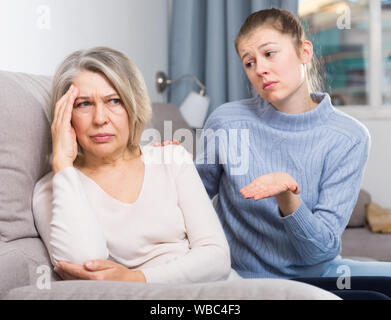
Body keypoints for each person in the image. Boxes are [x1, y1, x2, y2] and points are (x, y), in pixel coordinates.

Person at [161, 8, 391, 298]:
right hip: (244, 281)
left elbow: (318, 251)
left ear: (304, 51)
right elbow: (190, 198)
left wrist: (287, 197)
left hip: (319, 276)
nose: (260, 69)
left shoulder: (349, 137)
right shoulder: (227, 121)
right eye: (249, 62)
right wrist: (171, 167)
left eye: (269, 54)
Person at [32, 46, 232, 284]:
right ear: (64, 116)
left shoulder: (172, 159)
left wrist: (138, 278)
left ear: (132, 106)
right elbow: (83, 262)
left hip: (217, 291)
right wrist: (63, 164)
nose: (100, 119)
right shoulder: (52, 189)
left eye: (114, 101)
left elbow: (218, 258)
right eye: (84, 104)